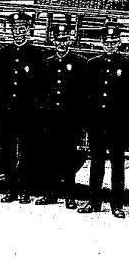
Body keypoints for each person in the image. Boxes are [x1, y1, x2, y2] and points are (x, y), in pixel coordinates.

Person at [80, 21, 129, 218]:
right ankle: (93, 202)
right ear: (101, 43)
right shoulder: (92, 65)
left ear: (119, 42)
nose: (110, 45)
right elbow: (87, 96)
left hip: (117, 124)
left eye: (114, 41)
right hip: (97, 123)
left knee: (117, 165)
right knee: (96, 163)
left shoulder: (128, 66)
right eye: (107, 41)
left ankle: (117, 205)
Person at [0, 11, 43, 204]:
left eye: (22, 29)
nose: (18, 33)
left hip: (27, 111)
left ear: (28, 30)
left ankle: (25, 191)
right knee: (7, 150)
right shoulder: (3, 55)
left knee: (27, 151)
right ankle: (11, 189)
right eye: (15, 29)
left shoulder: (37, 56)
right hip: (8, 111)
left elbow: (40, 86)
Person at [38, 22, 87, 208]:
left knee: (69, 158)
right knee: (50, 156)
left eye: (65, 40)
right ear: (53, 41)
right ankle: (50, 194)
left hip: (69, 118)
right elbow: (41, 91)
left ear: (70, 40)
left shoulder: (79, 63)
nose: (61, 44)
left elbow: (83, 94)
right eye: (58, 40)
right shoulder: (48, 63)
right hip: (51, 118)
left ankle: (69, 196)